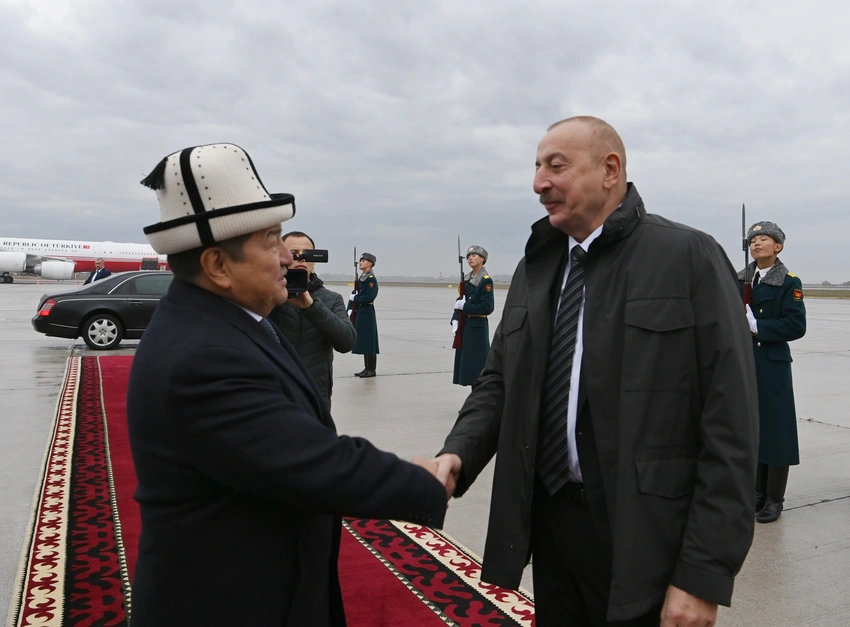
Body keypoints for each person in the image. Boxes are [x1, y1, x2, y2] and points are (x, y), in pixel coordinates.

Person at [432, 117, 759, 627]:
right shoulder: (537, 267)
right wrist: (457, 452)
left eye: (556, 166)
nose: (539, 182)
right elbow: (499, 381)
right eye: (536, 167)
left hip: (646, 534)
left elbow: (731, 421)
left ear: (610, 170)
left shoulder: (687, 257)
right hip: (553, 523)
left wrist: (703, 572)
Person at [127, 143, 449, 627]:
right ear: (217, 265)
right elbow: (309, 460)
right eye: (272, 241)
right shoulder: (203, 358)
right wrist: (422, 482)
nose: (287, 259)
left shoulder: (232, 320)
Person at [739, 221, 806, 524]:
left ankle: (773, 498)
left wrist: (758, 327)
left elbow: (796, 325)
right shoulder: (741, 279)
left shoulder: (788, 282)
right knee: (752, 428)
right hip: (745, 362)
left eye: (763, 239)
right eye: (753, 240)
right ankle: (756, 492)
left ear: (777, 246)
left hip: (773, 363)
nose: (756, 243)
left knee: (777, 430)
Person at [268, 231, 356, 409]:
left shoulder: (332, 299)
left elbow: (347, 342)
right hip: (273, 395)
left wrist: (311, 306)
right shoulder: (267, 294)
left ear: (314, 260)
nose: (301, 258)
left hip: (314, 397)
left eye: (307, 254)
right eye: (293, 253)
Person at [451, 245, 495, 386]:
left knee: (478, 367)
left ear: (482, 259)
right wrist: (455, 319)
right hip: (465, 327)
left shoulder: (485, 281)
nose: (470, 258)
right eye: (469, 256)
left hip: (477, 329)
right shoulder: (467, 280)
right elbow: (460, 301)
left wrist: (465, 307)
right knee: (468, 367)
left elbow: (487, 307)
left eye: (474, 256)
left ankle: (479, 396)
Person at [349, 252, 379, 378]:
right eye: (360, 260)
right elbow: (356, 293)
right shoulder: (363, 278)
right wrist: (350, 307)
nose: (360, 263)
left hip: (367, 313)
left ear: (370, 264)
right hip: (361, 312)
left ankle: (371, 369)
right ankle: (367, 368)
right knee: (365, 341)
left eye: (363, 261)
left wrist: (356, 298)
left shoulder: (371, 279)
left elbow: (369, 296)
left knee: (370, 341)